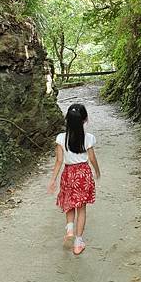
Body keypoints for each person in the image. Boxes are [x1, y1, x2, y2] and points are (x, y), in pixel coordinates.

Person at [47, 104, 101, 255]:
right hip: (83, 174)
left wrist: (53, 179)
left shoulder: (60, 138)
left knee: (69, 203)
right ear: (85, 120)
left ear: (67, 120)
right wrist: (97, 171)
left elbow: (59, 161)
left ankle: (69, 229)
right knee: (81, 208)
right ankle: (78, 243)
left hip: (68, 174)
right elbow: (91, 158)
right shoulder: (89, 138)